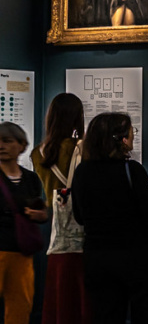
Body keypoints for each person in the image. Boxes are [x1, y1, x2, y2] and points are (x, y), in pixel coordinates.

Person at [71, 113, 148, 324]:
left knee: (105, 315)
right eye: (131, 132)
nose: (133, 136)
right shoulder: (132, 170)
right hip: (138, 259)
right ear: (122, 139)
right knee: (147, 315)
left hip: (98, 259)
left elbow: (79, 216)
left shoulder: (82, 172)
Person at [31, 93, 92, 324]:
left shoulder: (38, 154)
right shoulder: (82, 148)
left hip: (57, 238)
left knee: (59, 302)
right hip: (84, 237)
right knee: (82, 304)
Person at [0, 122, 48, 324]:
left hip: (22, 253)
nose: (1, 145)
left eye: (7, 141)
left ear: (21, 145)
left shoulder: (30, 179)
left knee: (21, 307)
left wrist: (40, 215)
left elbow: (43, 211)